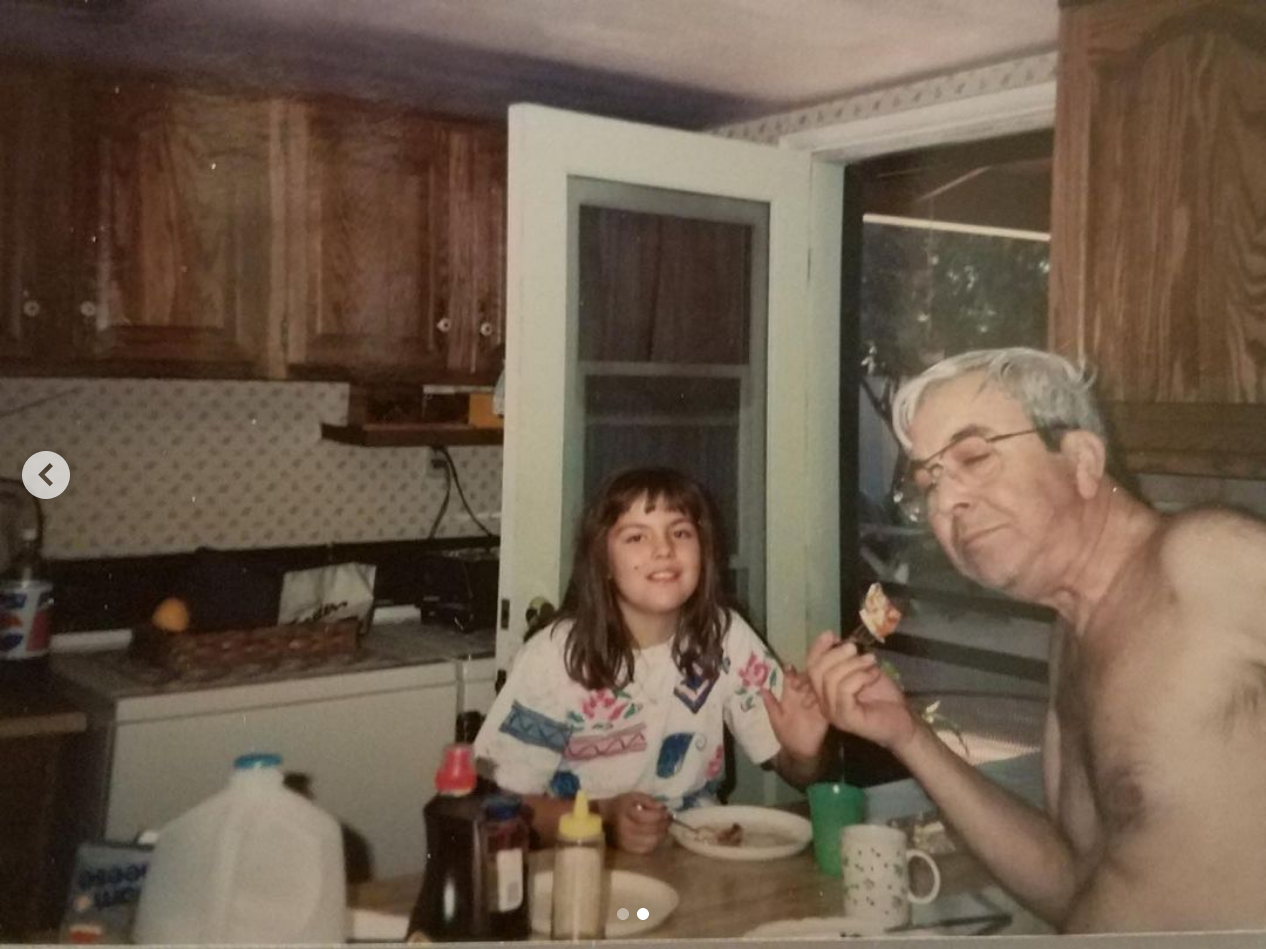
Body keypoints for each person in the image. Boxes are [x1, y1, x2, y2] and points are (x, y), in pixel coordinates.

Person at [806, 347, 1266, 933]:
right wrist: (907, 735)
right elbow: (1074, 882)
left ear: (1081, 460)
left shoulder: (1204, 561)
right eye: (930, 484)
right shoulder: (1069, 642)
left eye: (974, 456)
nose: (947, 503)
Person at [475, 466, 835, 853]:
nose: (663, 549)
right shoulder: (555, 658)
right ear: (603, 562)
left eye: (680, 532)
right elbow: (496, 805)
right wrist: (606, 819)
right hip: (585, 860)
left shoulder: (724, 635)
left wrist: (805, 752)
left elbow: (803, 776)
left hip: (696, 857)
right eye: (636, 537)